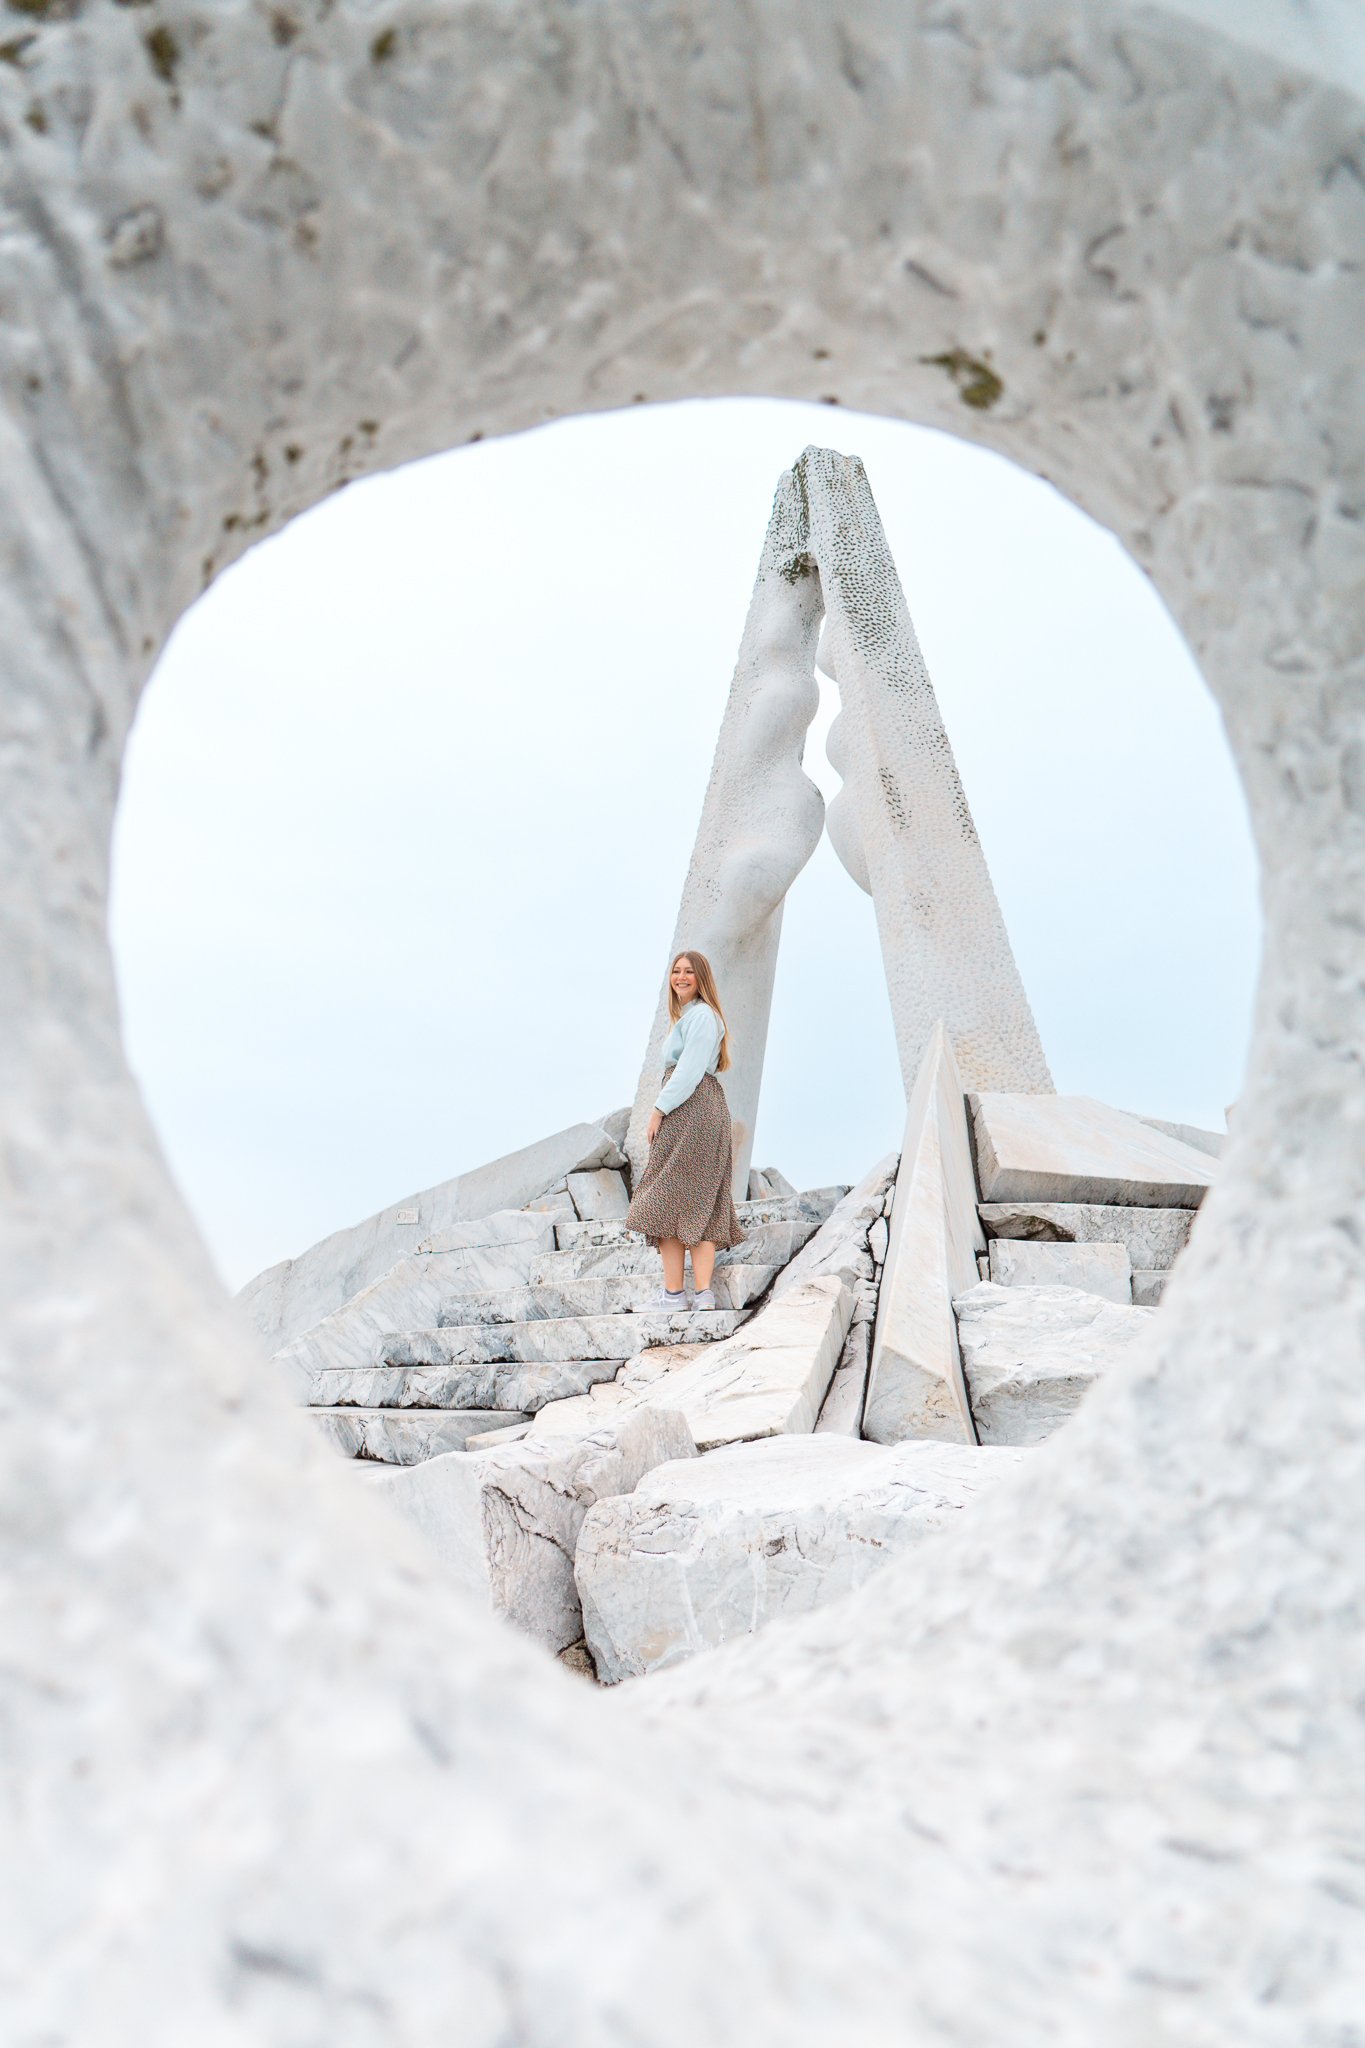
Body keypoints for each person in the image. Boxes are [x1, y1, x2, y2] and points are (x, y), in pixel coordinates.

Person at [625, 949, 744, 1308]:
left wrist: (658, 1110)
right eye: (676, 971)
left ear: (701, 978)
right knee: (696, 1203)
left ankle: (676, 1294)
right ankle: (699, 1294)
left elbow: (689, 1070)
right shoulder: (694, 1017)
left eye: (689, 972)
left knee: (666, 1199)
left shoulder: (703, 1016)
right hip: (701, 1109)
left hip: (690, 1110)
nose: (680, 977)